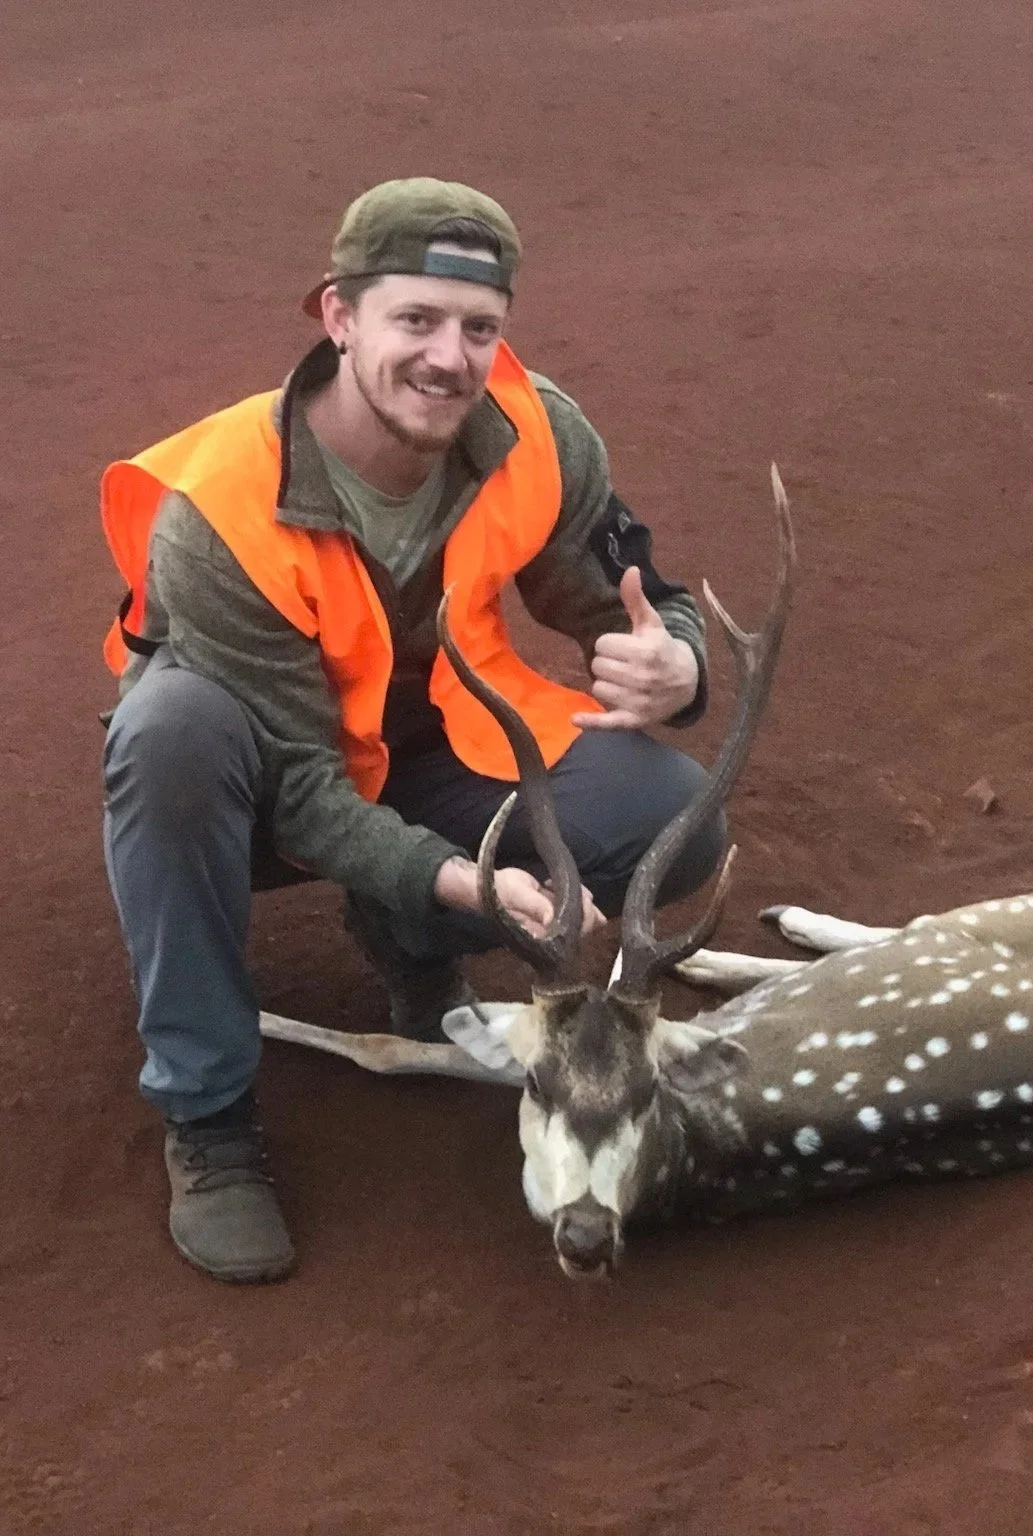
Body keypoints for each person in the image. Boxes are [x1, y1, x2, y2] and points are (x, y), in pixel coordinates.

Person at [100, 178, 724, 1284]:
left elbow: (630, 590)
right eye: (416, 320)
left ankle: (408, 946)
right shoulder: (222, 506)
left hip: (430, 740)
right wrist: (458, 879)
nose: (450, 357)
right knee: (172, 735)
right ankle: (207, 1111)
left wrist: (675, 659)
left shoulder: (537, 433)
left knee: (670, 811)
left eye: (479, 327)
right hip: (253, 786)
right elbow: (300, 788)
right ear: (339, 317)